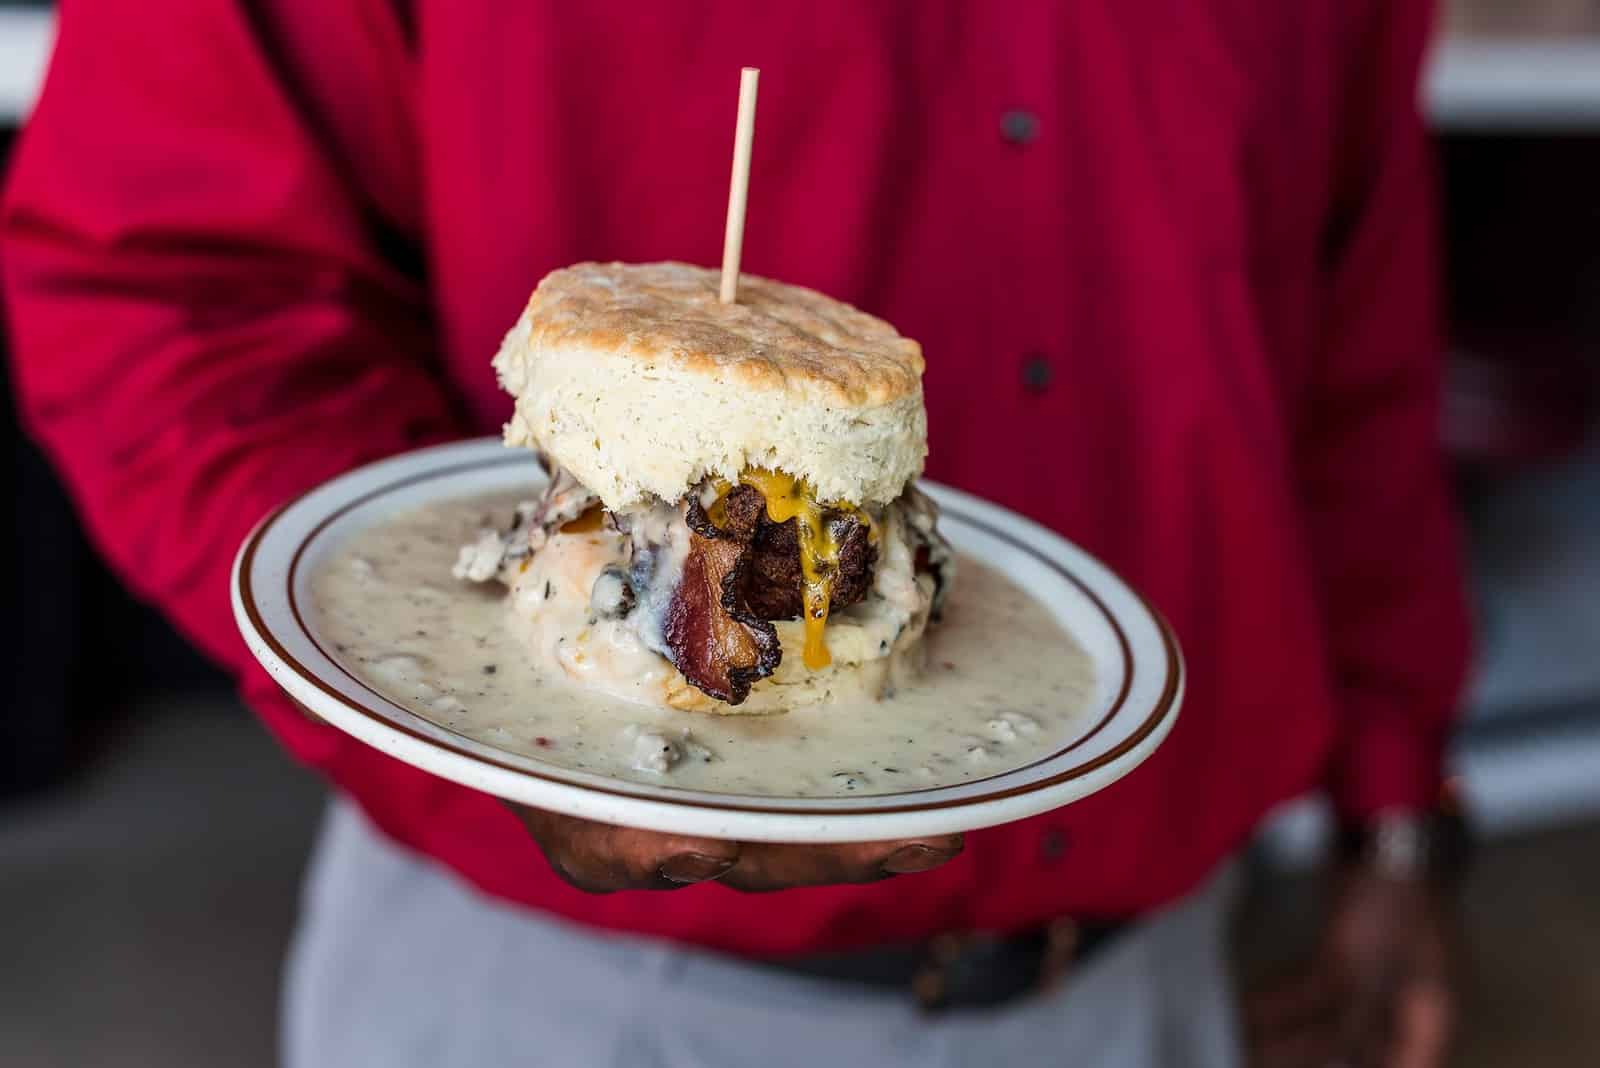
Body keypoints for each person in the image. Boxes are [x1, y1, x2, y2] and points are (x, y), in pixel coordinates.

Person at [1, 2, 1470, 1065]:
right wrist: (479, 690)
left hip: (1147, 980)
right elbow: (170, 289)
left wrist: (1393, 818)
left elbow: (1356, 366)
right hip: (562, 1002)